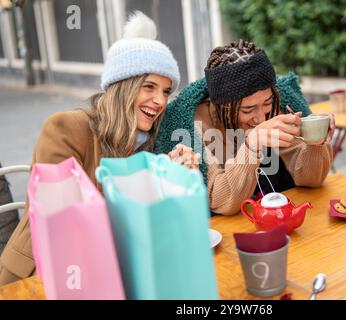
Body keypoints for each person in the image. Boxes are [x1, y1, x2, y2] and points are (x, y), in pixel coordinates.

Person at [0, 11, 198, 286]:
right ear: (123, 87)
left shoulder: (146, 142)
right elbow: (63, 224)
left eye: (166, 91)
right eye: (149, 87)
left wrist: (171, 179)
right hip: (39, 277)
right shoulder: (65, 128)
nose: (159, 101)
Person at [155, 39, 334, 215]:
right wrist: (251, 145)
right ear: (220, 106)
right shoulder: (193, 126)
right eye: (248, 109)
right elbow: (221, 202)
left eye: (267, 103)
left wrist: (316, 140)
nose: (261, 118)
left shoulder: (277, 109)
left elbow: (312, 179)